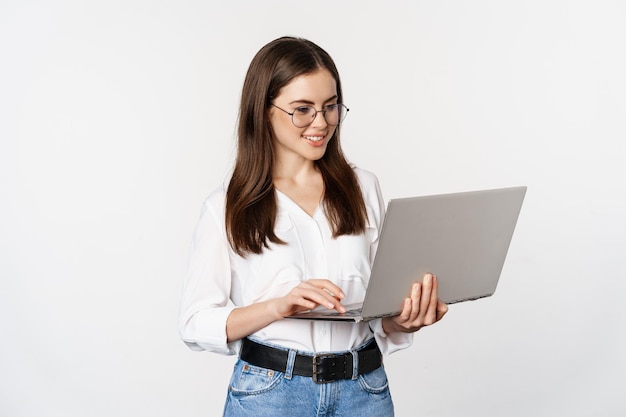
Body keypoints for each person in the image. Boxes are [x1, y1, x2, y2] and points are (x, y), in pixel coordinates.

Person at [178, 36, 448, 417]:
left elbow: (377, 314)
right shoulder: (226, 205)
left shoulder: (363, 187)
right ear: (264, 111)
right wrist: (277, 306)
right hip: (270, 396)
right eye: (302, 109)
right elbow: (194, 322)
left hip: (364, 391)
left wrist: (406, 318)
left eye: (331, 106)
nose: (321, 123)